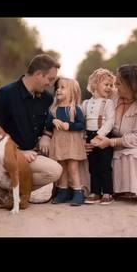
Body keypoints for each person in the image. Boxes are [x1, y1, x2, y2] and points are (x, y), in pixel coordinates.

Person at [0, 54, 63, 192]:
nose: (51, 84)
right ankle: (10, 191)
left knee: (59, 163)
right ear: (39, 74)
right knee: (54, 170)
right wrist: (18, 152)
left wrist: (47, 135)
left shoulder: (46, 98)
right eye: (50, 79)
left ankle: (5, 192)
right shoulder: (4, 95)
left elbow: (50, 121)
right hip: (7, 157)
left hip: (31, 155)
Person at [92, 64, 137, 203]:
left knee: (132, 156)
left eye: (119, 83)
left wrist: (111, 142)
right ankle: (104, 190)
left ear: (131, 85)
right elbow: (95, 99)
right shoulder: (113, 95)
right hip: (113, 142)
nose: (115, 86)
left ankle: (135, 189)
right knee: (94, 153)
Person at [46, 77, 87, 206]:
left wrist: (69, 125)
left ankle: (78, 191)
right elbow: (47, 124)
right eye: (58, 87)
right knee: (61, 167)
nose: (58, 90)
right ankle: (63, 191)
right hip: (59, 142)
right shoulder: (53, 109)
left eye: (63, 87)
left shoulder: (74, 109)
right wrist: (53, 121)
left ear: (72, 92)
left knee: (73, 167)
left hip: (72, 143)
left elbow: (81, 124)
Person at [81, 68, 116, 205]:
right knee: (93, 166)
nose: (109, 88)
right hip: (89, 136)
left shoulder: (108, 103)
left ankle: (107, 192)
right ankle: (95, 192)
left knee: (104, 166)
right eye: (106, 84)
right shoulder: (85, 103)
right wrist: (84, 138)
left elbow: (110, 121)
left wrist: (99, 135)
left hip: (103, 135)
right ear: (95, 84)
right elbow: (82, 122)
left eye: (111, 85)